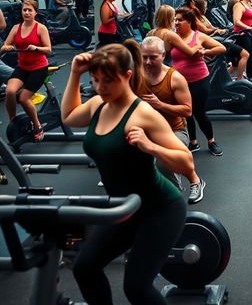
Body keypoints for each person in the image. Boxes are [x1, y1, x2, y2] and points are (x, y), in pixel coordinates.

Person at [61, 42, 190, 305]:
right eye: (95, 80)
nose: (100, 88)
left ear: (127, 76)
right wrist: (75, 74)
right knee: (84, 268)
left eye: (108, 81)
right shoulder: (98, 104)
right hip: (124, 209)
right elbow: (69, 116)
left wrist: (150, 146)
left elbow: (186, 163)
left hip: (160, 209)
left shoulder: (143, 114)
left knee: (136, 286)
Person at [140, 36, 206, 204]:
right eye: (144, 57)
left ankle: (182, 192)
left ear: (163, 56)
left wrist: (159, 104)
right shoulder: (136, 75)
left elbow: (187, 110)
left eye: (152, 57)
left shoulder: (175, 78)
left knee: (164, 162)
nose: (147, 61)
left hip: (173, 130)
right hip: (145, 130)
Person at [172, 7, 226, 155]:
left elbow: (221, 48)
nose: (176, 23)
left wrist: (205, 51)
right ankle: (193, 142)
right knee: (186, 112)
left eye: (180, 20)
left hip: (199, 79)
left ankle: (211, 141)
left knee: (199, 112)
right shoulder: (173, 37)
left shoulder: (199, 36)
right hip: (180, 82)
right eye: (175, 20)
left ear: (189, 21)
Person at [0, 0, 52, 140]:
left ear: (35, 12)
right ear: (22, 12)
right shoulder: (16, 28)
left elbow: (48, 49)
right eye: (24, 10)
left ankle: (37, 125)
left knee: (23, 99)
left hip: (39, 68)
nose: (27, 13)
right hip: (22, 67)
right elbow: (5, 46)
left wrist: (36, 48)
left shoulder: (41, 28)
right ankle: (14, 121)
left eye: (30, 10)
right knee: (10, 91)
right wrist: (5, 48)